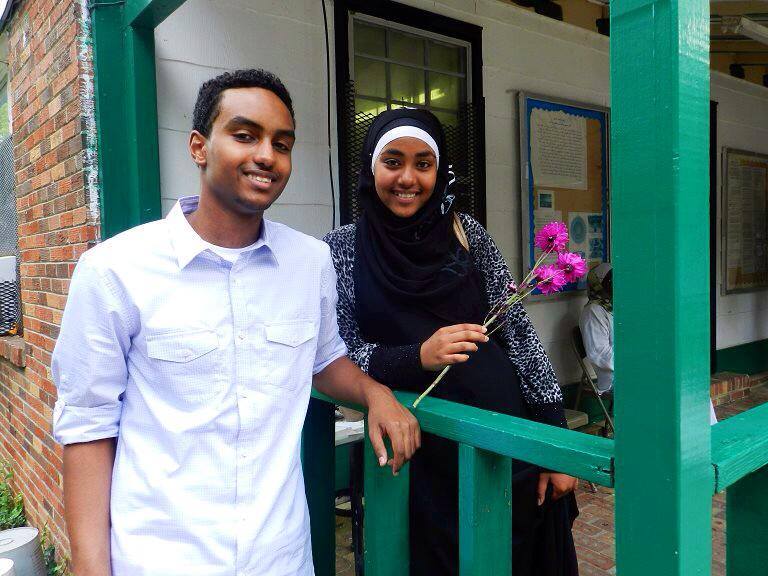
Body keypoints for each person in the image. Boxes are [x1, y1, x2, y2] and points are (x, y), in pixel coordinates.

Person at [51, 69, 420, 576]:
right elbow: (87, 428)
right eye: (245, 136)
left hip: (280, 557)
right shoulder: (114, 271)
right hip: (161, 558)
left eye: (282, 143)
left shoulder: (309, 262)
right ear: (199, 147)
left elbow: (324, 359)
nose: (267, 156)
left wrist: (376, 394)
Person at [324, 108, 579, 576]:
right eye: (393, 161)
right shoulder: (341, 249)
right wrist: (416, 357)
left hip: (506, 445)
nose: (408, 178)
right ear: (370, 168)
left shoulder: (465, 233)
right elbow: (342, 350)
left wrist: (553, 444)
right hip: (420, 459)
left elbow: (519, 336)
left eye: (423, 164)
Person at [579, 262, 717, 423]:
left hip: (640, 368)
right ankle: (667, 436)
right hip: (617, 376)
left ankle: (707, 432)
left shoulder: (619, 308)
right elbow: (599, 354)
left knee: (688, 384)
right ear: (600, 285)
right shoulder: (593, 312)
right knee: (665, 389)